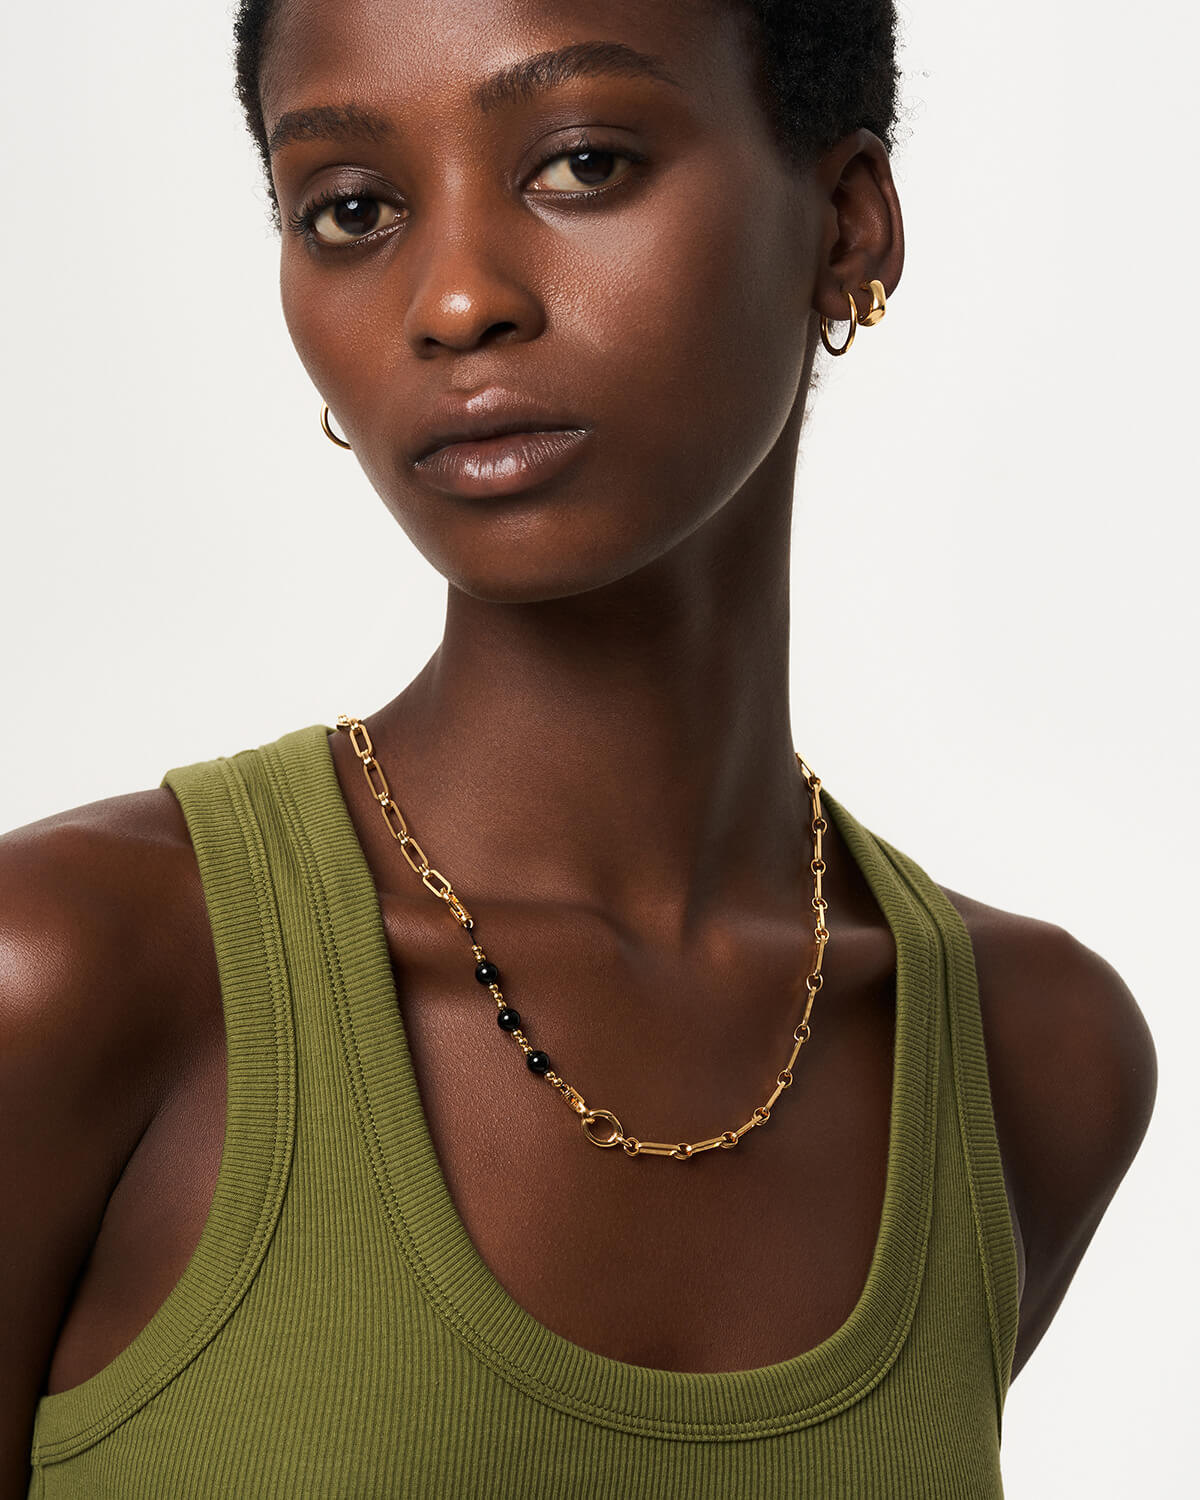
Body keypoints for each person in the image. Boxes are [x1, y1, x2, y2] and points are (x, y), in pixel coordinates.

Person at [2, 1, 1157, 1495]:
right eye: (352, 209)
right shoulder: (78, 982)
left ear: (848, 228)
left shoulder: (1031, 1065)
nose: (458, 300)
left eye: (584, 166)